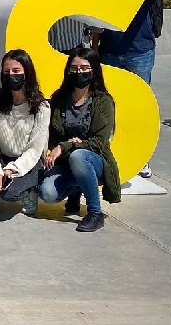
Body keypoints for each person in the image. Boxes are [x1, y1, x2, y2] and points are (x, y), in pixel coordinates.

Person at [95, 0, 168, 178]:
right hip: (110, 49)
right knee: (108, 104)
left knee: (137, 105)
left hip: (140, 50)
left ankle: (142, 157)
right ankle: (113, 151)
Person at [38, 47, 121, 232]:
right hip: (66, 162)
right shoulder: (59, 98)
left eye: (84, 68)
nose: (79, 72)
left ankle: (95, 213)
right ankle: (76, 189)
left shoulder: (103, 101)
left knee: (79, 156)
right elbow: (51, 135)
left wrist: (68, 145)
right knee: (47, 193)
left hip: (94, 161)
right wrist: (62, 146)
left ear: (94, 71)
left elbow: (99, 142)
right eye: (74, 68)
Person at [0, 49, 50, 216]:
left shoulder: (41, 107)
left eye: (16, 71)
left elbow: (35, 149)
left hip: (30, 162)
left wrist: (12, 170)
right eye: (6, 72)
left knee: (11, 195)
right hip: (2, 156)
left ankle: (30, 190)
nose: (11, 75)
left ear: (27, 72)